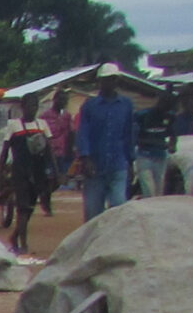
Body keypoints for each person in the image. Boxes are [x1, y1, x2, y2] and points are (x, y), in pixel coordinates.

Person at [0, 101, 53, 255]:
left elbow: (49, 149)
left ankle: (15, 236)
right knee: (22, 208)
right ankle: (23, 243)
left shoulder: (42, 124)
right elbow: (5, 149)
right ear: (23, 107)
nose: (32, 109)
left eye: (34, 106)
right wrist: (0, 172)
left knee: (30, 207)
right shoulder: (14, 126)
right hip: (20, 171)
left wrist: (55, 171)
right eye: (30, 106)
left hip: (37, 172)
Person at [77, 78, 137, 217]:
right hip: (95, 167)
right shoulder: (90, 106)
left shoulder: (126, 105)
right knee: (93, 212)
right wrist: (85, 158)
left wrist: (130, 161)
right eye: (106, 80)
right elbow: (83, 133)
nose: (110, 83)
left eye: (112, 79)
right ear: (100, 82)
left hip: (118, 164)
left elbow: (129, 134)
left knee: (119, 206)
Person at [132, 94, 174, 199]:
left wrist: (173, 145)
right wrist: (154, 143)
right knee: (149, 190)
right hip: (145, 156)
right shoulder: (142, 115)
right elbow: (134, 137)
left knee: (159, 191)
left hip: (161, 157)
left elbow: (173, 133)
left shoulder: (170, 116)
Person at [39, 97, 76, 212]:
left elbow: (71, 132)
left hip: (62, 151)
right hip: (48, 151)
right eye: (60, 100)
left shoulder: (66, 116)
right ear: (55, 100)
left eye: (64, 101)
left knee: (58, 180)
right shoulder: (45, 116)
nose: (62, 103)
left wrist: (71, 149)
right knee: (50, 178)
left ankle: (45, 195)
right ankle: (46, 202)